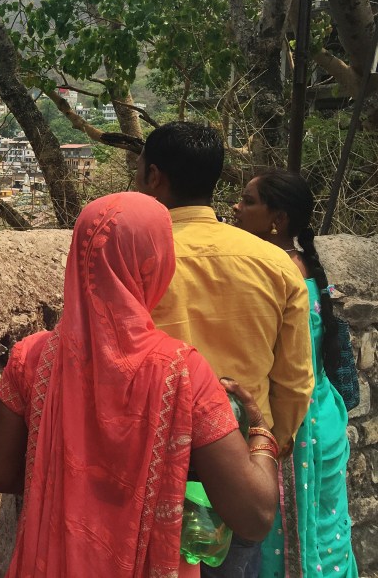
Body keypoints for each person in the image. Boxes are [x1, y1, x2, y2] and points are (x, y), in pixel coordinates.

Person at [0, 191, 280, 578]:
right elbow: (255, 516)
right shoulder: (181, 372)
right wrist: (260, 430)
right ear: (156, 263)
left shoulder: (31, 358)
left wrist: (75, 483)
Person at [135, 121, 313, 577]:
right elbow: (295, 380)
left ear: (154, 176)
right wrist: (267, 446)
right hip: (240, 461)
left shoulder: (135, 257)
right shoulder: (276, 264)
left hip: (153, 458)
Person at [232, 169, 358, 577]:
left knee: (288, 543)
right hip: (324, 416)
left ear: (278, 219)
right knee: (326, 535)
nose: (236, 206)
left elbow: (287, 372)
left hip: (296, 426)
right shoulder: (302, 265)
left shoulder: (272, 272)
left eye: (248, 200)